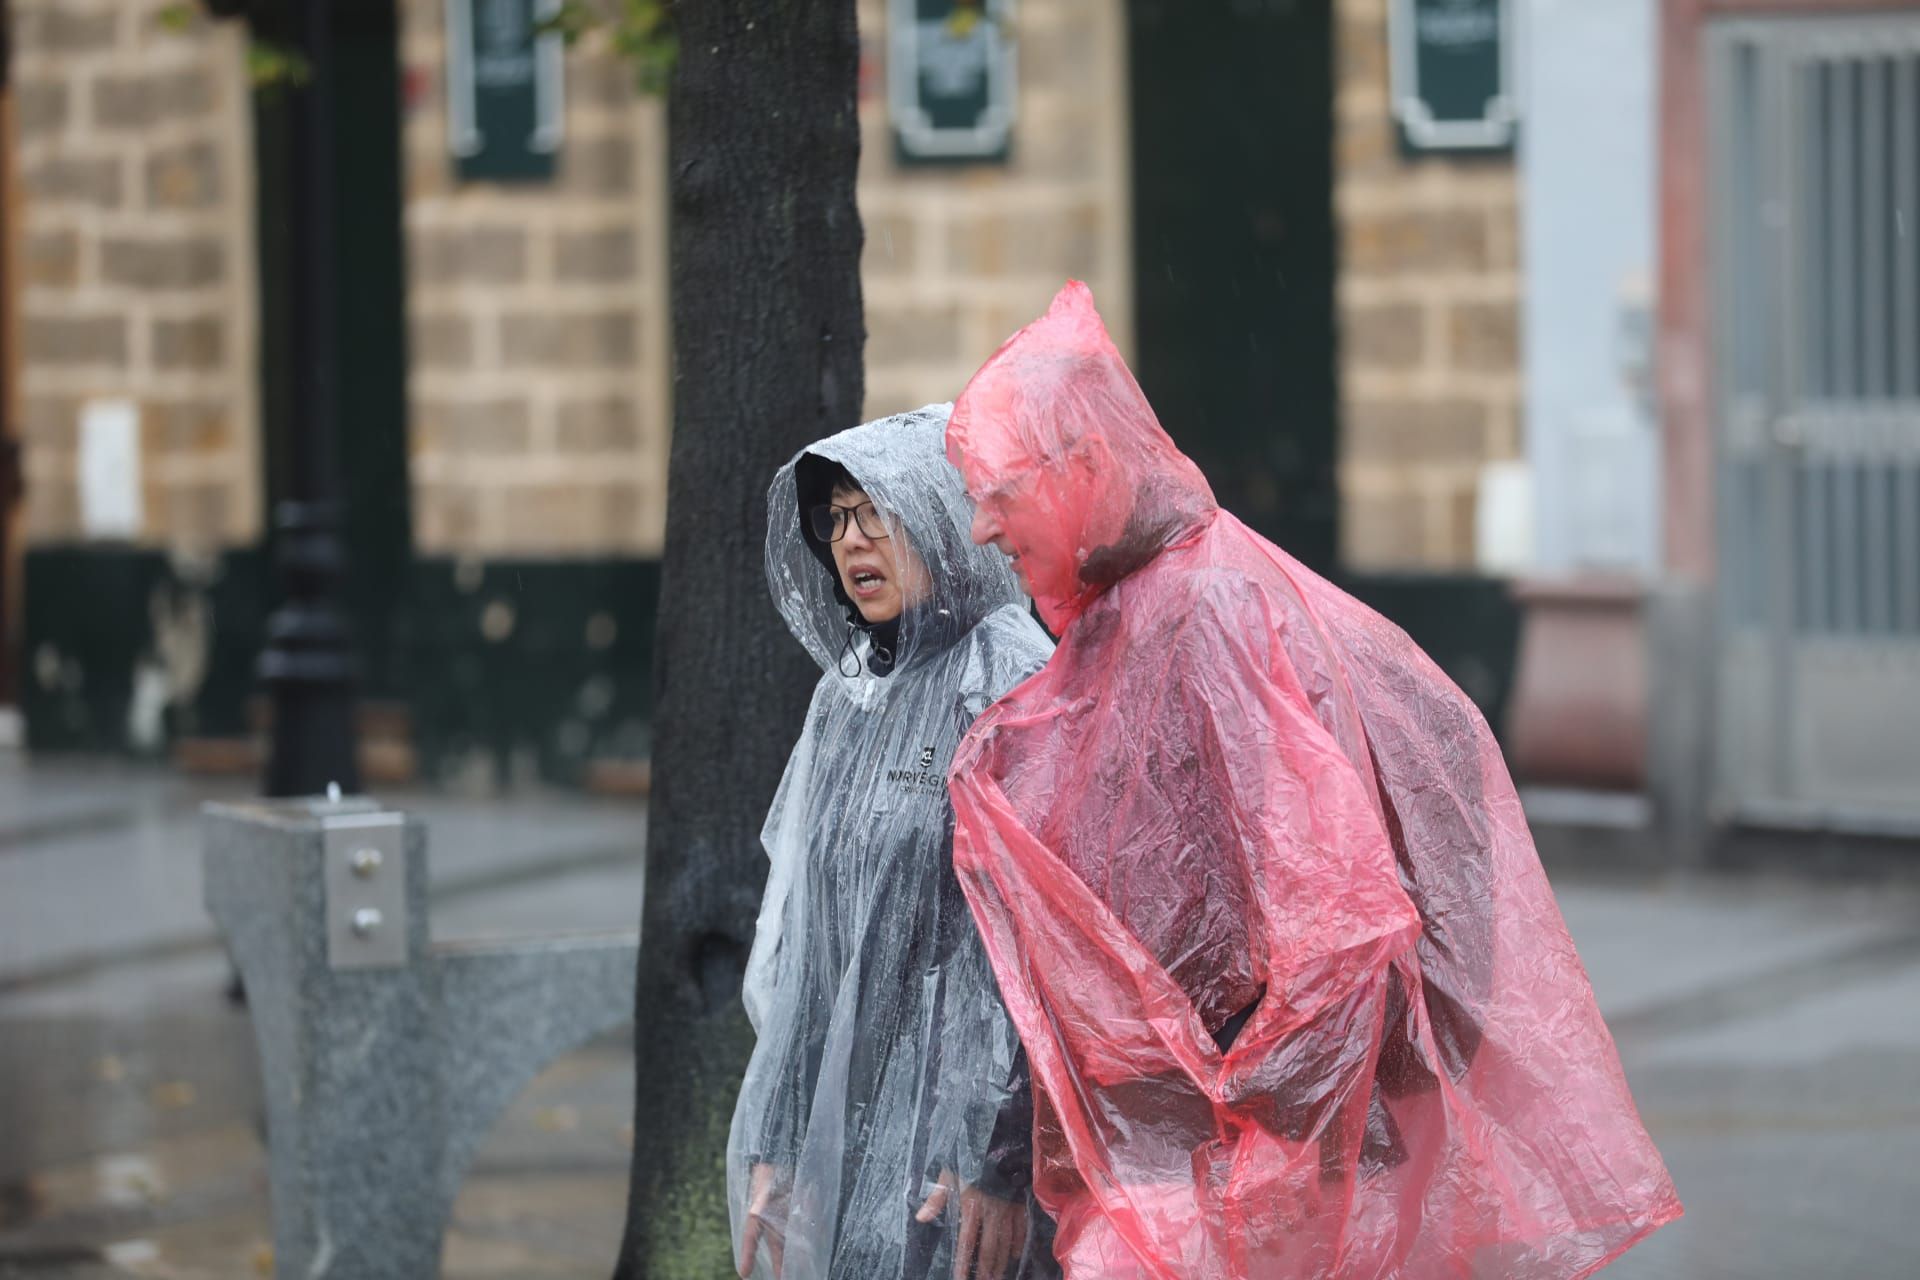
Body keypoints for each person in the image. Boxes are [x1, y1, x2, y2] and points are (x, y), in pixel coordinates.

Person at [941, 283, 1683, 1279]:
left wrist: (1278, 1138)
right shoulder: (1158, 607)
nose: (984, 529)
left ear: (1082, 465)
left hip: (1240, 1165)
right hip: (1210, 1150)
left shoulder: (1204, 615)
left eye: (1000, 491)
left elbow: (1333, 913)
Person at [730, 405, 1058, 1280]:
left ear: (940, 515)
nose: (850, 540)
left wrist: (996, 1154)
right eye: (834, 518)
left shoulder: (1013, 685)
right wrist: (780, 1136)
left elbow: (1032, 955)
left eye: (874, 509)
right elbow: (811, 941)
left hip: (964, 1167)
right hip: (852, 1139)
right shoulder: (850, 702)